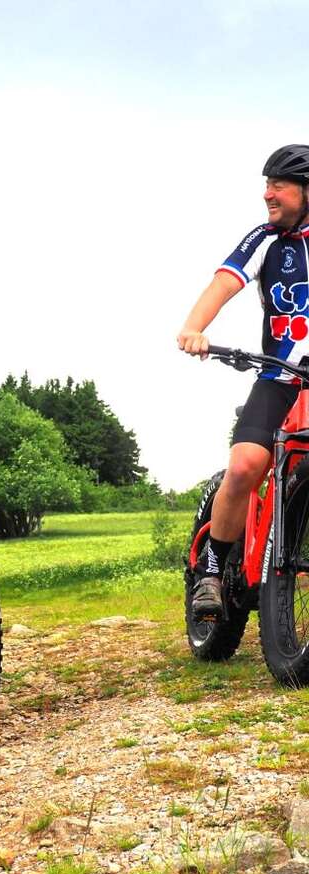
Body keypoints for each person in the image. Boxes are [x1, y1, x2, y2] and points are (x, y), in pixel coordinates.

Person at [178, 144, 309, 619]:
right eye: (267, 183)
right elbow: (225, 282)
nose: (267, 194)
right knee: (244, 467)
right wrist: (195, 328)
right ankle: (211, 571)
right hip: (281, 376)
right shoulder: (266, 240)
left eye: (278, 184)